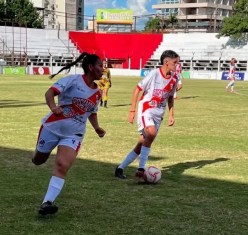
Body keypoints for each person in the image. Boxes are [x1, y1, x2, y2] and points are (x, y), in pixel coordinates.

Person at [32, 52, 106, 215]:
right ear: (90, 67)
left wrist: (96, 127)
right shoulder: (72, 80)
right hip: (52, 127)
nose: (103, 69)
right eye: (100, 66)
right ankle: (38, 151)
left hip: (74, 134)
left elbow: (92, 112)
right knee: (38, 160)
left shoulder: (98, 92)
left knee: (62, 166)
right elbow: (50, 93)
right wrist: (53, 107)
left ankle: (47, 202)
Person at [115, 50, 179, 180]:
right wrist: (132, 111)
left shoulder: (174, 78)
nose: (177, 65)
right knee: (151, 133)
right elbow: (137, 90)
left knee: (143, 143)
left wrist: (171, 115)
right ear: (166, 62)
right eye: (175, 62)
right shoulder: (154, 74)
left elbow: (170, 98)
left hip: (159, 114)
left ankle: (120, 168)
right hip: (146, 110)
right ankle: (141, 168)